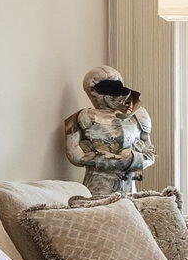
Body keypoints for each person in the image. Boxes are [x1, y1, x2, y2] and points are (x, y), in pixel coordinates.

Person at [63, 65, 155, 195]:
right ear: (92, 91)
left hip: (130, 190)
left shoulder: (138, 115)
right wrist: (106, 161)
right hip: (97, 188)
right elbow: (74, 155)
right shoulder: (83, 117)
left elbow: (150, 154)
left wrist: (132, 159)